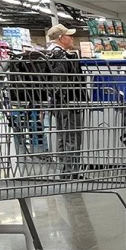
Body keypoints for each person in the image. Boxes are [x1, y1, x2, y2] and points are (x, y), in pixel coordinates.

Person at [45, 24, 85, 177]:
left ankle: (66, 170)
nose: (72, 38)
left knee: (63, 135)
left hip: (58, 102)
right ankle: (70, 172)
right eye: (69, 35)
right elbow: (61, 82)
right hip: (67, 102)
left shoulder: (49, 55)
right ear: (61, 38)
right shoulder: (59, 56)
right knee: (72, 137)